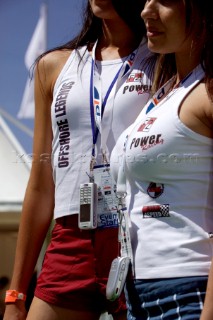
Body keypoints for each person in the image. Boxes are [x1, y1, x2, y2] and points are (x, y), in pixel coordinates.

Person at [3, 1, 152, 320]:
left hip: (139, 233)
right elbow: (41, 183)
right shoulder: (54, 66)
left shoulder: (161, 59)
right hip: (71, 235)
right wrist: (15, 294)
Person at [110, 0, 213, 319]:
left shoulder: (207, 90)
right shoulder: (166, 92)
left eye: (165, 0)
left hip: (188, 291)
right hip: (137, 292)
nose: (146, 11)